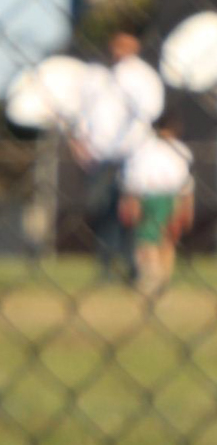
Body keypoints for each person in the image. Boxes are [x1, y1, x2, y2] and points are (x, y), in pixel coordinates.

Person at [70, 29, 163, 285]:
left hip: (133, 154)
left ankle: (133, 266)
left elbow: (151, 112)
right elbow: (83, 113)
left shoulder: (144, 77)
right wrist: (80, 142)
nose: (119, 51)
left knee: (131, 212)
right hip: (100, 155)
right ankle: (106, 267)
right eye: (117, 45)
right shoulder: (97, 76)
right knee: (102, 210)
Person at [119, 116, 194, 297]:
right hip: (157, 196)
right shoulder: (151, 148)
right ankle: (158, 278)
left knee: (155, 240)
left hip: (162, 196)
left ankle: (156, 278)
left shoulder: (153, 148)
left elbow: (185, 181)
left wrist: (186, 205)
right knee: (155, 239)